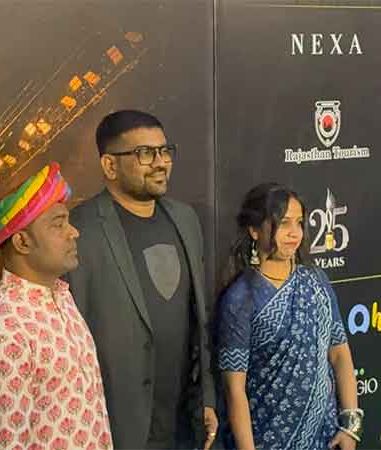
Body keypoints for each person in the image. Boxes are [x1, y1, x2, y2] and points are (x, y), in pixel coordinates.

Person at [64, 110, 218, 450]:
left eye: (165, 151)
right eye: (145, 153)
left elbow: (199, 319)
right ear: (109, 166)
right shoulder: (79, 230)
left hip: (184, 424)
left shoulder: (185, 219)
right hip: (116, 427)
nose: (161, 162)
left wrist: (207, 396)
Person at [0, 162, 113, 450]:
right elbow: (8, 443)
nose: (74, 232)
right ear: (22, 241)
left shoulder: (62, 298)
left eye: (68, 221)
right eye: (58, 224)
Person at [216, 183, 362, 450]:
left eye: (299, 223)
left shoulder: (316, 281)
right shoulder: (241, 298)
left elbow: (339, 354)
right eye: (283, 224)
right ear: (254, 230)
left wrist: (350, 427)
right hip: (267, 439)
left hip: (324, 438)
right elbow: (234, 389)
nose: (295, 233)